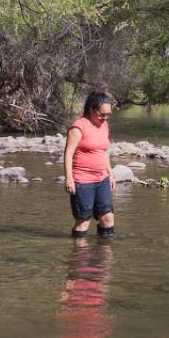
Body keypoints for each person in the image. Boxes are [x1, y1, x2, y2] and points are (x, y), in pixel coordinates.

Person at [63, 91, 117, 239]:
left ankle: (103, 257)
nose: (105, 118)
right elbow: (68, 154)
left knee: (107, 218)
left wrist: (110, 173)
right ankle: (79, 257)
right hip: (82, 181)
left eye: (108, 115)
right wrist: (69, 178)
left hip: (102, 179)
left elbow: (103, 151)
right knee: (83, 222)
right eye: (102, 114)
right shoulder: (78, 127)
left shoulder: (104, 125)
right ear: (92, 110)